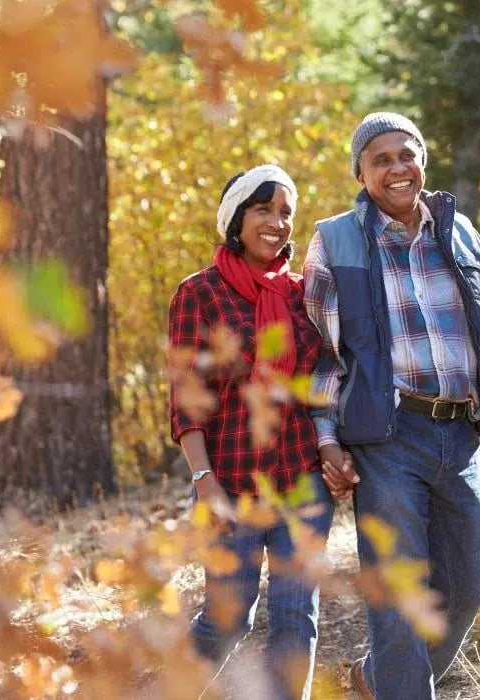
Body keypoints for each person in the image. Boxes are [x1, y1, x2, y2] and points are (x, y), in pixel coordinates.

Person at [303, 113, 480, 699]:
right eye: (380, 159)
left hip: (458, 433)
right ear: (360, 172)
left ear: (423, 160)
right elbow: (319, 354)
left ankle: (377, 680)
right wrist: (326, 437)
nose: (397, 168)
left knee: (468, 589)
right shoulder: (335, 241)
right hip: (385, 436)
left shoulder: (460, 234)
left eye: (406, 154)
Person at [168, 165, 344, 699]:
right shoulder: (198, 293)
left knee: (296, 621)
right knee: (228, 619)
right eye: (264, 209)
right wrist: (205, 482)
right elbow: (186, 398)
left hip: (301, 479)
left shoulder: (304, 292)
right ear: (236, 218)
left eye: (286, 212)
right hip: (230, 480)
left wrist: (332, 445)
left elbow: (324, 378)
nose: (277, 222)